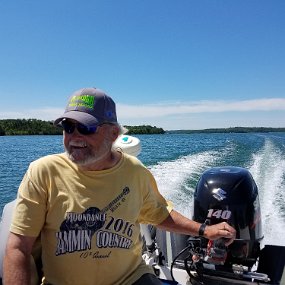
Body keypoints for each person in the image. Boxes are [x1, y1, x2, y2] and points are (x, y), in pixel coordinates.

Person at [3, 87, 236, 285]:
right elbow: (18, 248)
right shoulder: (43, 172)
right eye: (68, 127)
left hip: (131, 279)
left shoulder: (135, 172)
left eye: (85, 128)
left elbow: (159, 214)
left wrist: (205, 230)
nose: (74, 136)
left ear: (113, 133)